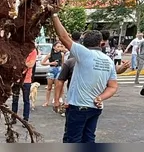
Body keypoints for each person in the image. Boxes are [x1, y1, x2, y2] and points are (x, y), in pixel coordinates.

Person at [50, 11, 118, 143]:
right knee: (88, 139)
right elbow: (113, 86)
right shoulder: (108, 61)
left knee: (73, 140)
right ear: (101, 44)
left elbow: (63, 36)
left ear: (83, 43)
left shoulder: (84, 54)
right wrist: (100, 97)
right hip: (96, 108)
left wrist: (54, 15)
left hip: (79, 107)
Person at [11, 46, 38, 123]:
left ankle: (25, 118)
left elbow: (31, 64)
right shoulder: (18, 49)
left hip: (26, 80)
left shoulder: (33, 51)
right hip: (16, 79)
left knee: (26, 100)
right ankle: (13, 117)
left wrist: (19, 65)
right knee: (15, 99)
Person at [41, 41, 65, 107]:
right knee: (49, 87)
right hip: (51, 70)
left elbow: (63, 63)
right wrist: (51, 63)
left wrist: (63, 71)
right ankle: (47, 101)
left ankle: (56, 100)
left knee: (57, 87)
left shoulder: (62, 54)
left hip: (59, 69)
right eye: (58, 46)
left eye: (60, 46)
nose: (59, 48)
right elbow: (42, 63)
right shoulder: (50, 54)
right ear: (54, 47)